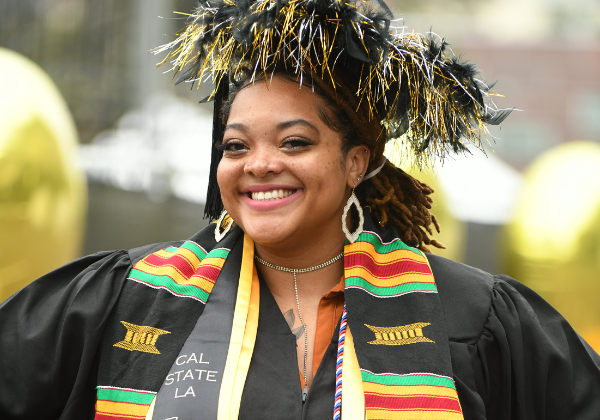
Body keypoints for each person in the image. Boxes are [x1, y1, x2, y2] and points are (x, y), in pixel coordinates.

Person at [1, 0, 600, 419]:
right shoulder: (130, 298)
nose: (258, 165)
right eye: (236, 146)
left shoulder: (470, 315)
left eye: (294, 142)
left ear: (356, 162)